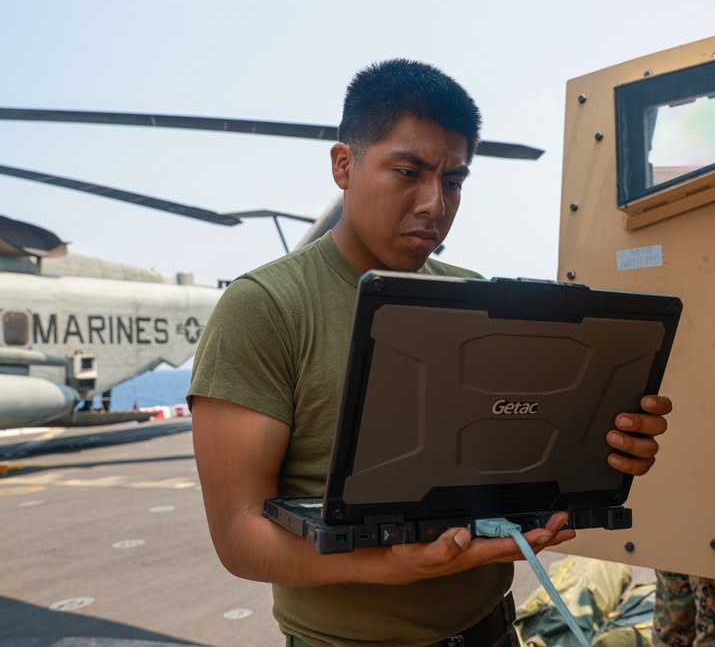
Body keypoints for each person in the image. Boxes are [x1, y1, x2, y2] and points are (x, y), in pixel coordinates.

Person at [188, 58, 672, 647]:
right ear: (344, 165)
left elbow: (506, 442)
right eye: (408, 171)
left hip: (493, 629)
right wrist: (384, 566)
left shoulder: (473, 297)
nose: (434, 204)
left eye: (453, 180)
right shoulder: (264, 307)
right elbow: (239, 535)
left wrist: (603, 448)